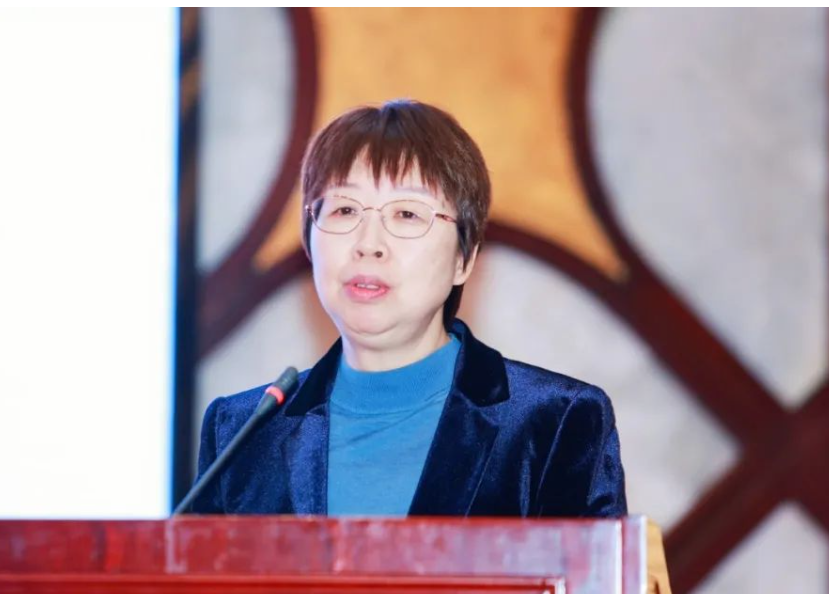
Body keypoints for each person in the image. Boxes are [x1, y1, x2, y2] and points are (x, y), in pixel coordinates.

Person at [192, 99, 626, 519]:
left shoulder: (557, 424)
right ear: (309, 241)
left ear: (464, 259)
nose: (368, 244)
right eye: (345, 209)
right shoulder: (242, 434)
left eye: (407, 214)